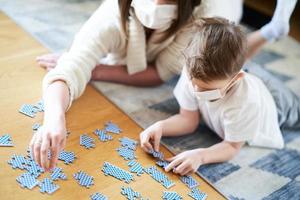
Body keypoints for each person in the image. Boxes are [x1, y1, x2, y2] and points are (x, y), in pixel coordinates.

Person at [29, 0, 244, 171]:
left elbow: (160, 73)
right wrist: (53, 118)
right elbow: (69, 69)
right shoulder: (112, 15)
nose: (157, 4)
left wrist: (95, 70)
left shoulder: (202, 19)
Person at [140, 16, 300, 176]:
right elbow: (188, 120)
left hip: (276, 103)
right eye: (193, 83)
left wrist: (200, 156)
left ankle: (272, 30)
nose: (196, 90)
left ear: (236, 79)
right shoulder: (193, 69)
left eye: (205, 88)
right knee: (237, 63)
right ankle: (269, 32)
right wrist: (160, 126)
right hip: (240, 75)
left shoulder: (246, 103)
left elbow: (231, 147)